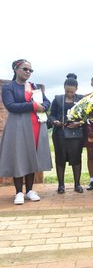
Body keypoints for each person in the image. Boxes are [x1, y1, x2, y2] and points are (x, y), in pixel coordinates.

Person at [0, 59, 52, 204]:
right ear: (16, 69)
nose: (28, 72)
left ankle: (29, 190)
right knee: (19, 156)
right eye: (25, 69)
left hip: (36, 125)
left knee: (31, 156)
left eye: (30, 70)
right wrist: (33, 106)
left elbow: (47, 102)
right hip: (18, 126)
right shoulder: (8, 87)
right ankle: (18, 193)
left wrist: (43, 106)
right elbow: (11, 106)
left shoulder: (34, 86)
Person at [50, 74, 84, 194]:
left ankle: (77, 184)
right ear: (64, 88)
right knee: (60, 158)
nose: (69, 93)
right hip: (60, 134)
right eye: (67, 91)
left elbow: (86, 116)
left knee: (76, 158)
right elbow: (52, 114)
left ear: (76, 89)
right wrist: (55, 121)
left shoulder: (81, 99)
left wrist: (79, 123)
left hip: (76, 134)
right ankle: (61, 185)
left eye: (72, 91)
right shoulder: (58, 99)